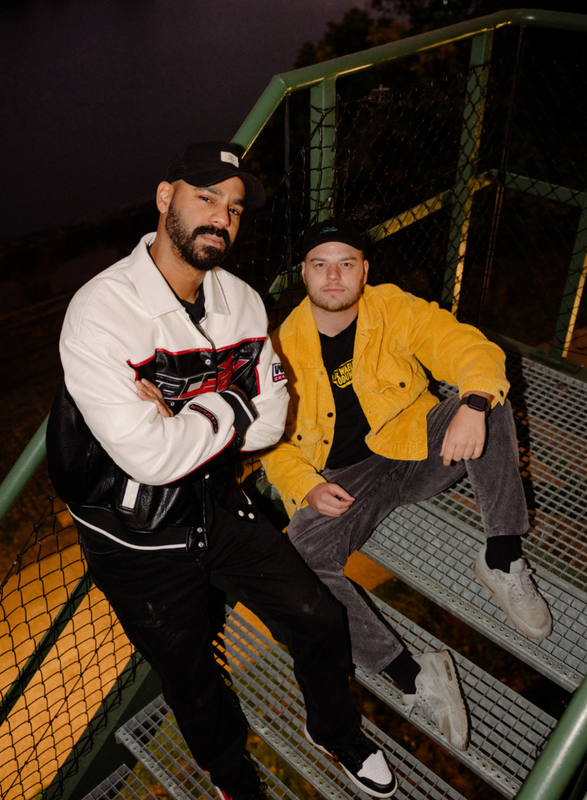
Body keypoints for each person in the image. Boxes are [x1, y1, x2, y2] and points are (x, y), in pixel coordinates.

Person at [46, 147, 398, 800]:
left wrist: (185, 414)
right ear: (164, 198)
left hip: (216, 502)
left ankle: (335, 730)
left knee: (318, 618)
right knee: (191, 677)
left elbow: (269, 425)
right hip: (134, 536)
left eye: (233, 208)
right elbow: (149, 458)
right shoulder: (101, 312)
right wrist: (232, 401)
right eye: (205, 197)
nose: (221, 217)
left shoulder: (241, 303)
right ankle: (231, 775)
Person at [260, 218, 553, 752]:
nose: (333, 276)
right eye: (320, 265)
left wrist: (473, 404)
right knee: (298, 562)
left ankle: (502, 556)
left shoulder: (392, 307)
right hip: (344, 480)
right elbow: (269, 440)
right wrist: (305, 485)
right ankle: (413, 674)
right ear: (303, 273)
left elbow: (466, 346)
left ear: (364, 270)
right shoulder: (279, 349)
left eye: (346, 264)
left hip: (415, 443)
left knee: (488, 399)